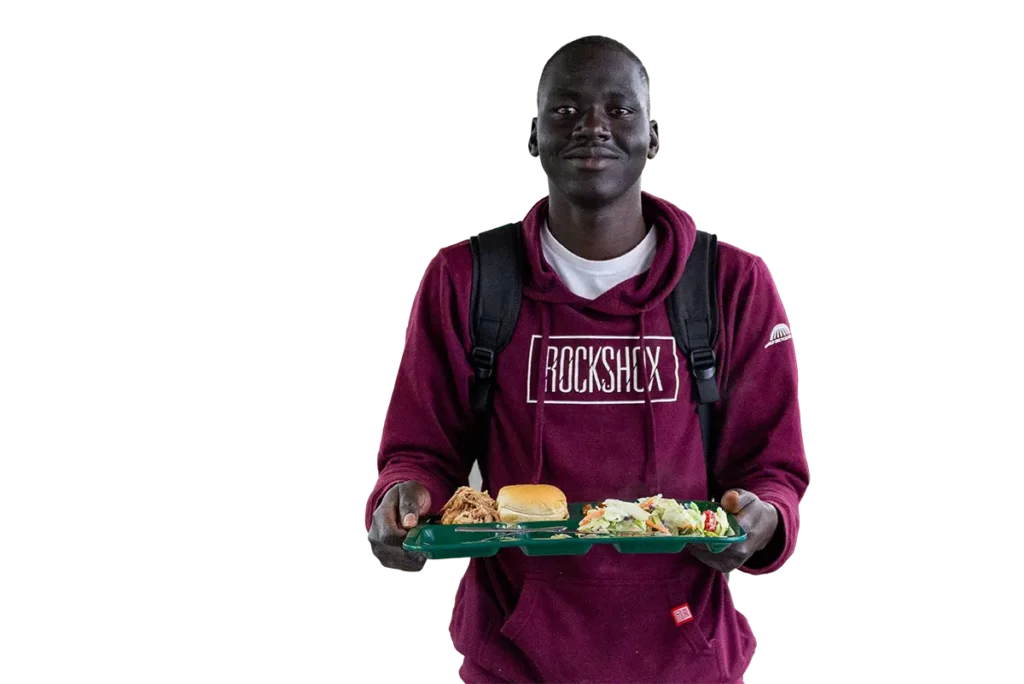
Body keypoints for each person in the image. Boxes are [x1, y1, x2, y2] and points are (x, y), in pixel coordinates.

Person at [365, 34, 809, 684]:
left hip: (688, 659)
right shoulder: (467, 280)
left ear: (653, 135)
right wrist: (402, 502)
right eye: (566, 110)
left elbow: (773, 471)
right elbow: (420, 454)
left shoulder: (729, 284)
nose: (593, 126)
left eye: (618, 109)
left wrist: (762, 519)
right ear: (533, 136)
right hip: (512, 661)